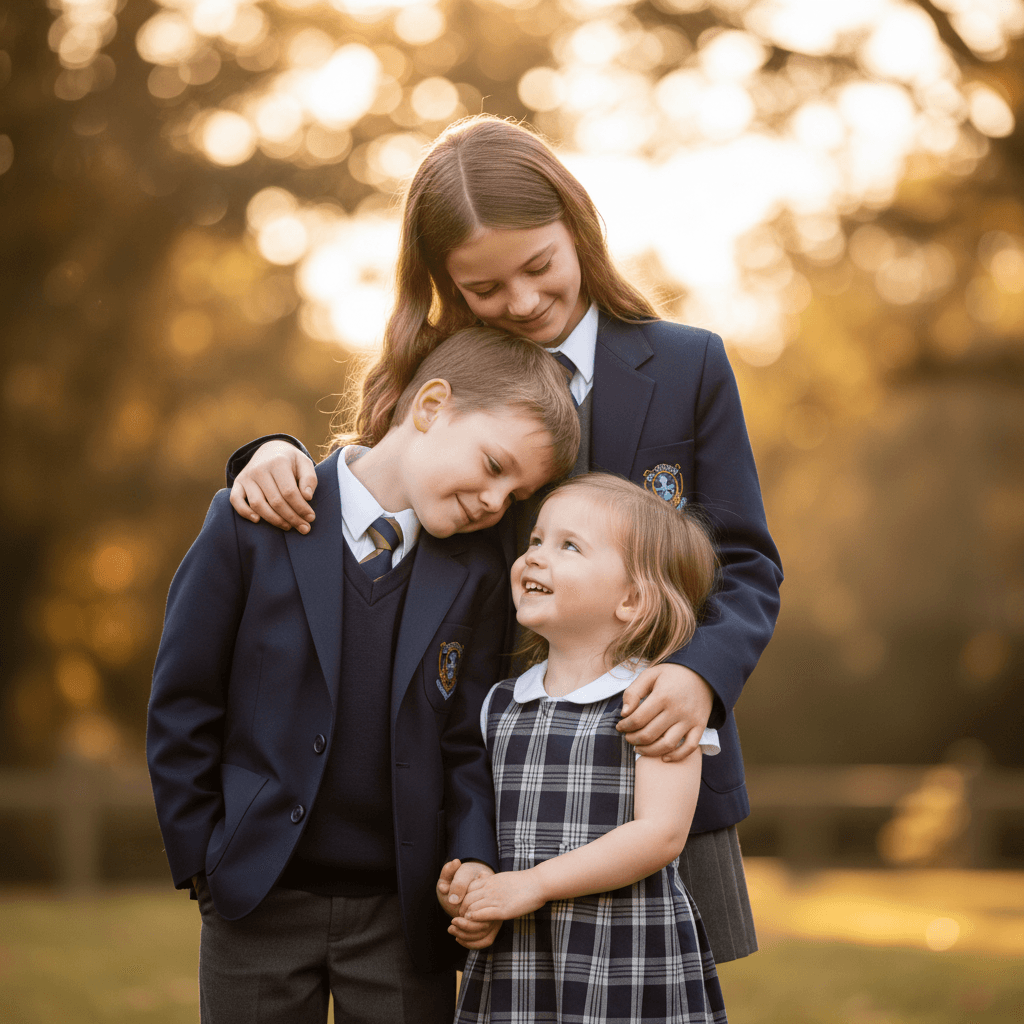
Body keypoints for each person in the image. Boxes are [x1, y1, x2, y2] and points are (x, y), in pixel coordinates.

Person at [224, 114, 783, 962]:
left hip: (657, 757)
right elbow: (367, 495)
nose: (521, 302)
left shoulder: (687, 365)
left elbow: (745, 561)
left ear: (578, 227)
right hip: (494, 775)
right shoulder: (440, 376)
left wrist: (700, 675)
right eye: (485, 288)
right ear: (445, 284)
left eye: (540, 266)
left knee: (657, 991)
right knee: (515, 998)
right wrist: (269, 454)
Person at [146, 327, 580, 1024]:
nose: (495, 503)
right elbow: (184, 701)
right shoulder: (252, 520)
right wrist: (205, 859)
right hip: (256, 899)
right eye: (494, 465)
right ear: (431, 406)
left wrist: (472, 855)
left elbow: (468, 741)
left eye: (515, 493)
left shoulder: (478, 574)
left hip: (401, 916)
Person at [442, 473, 728, 1023]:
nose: (535, 557)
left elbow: (660, 834)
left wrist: (534, 885)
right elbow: (482, 820)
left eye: (568, 546)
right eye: (535, 540)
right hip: (521, 956)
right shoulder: (499, 703)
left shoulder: (658, 702)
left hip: (622, 951)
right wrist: (476, 887)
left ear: (632, 599)